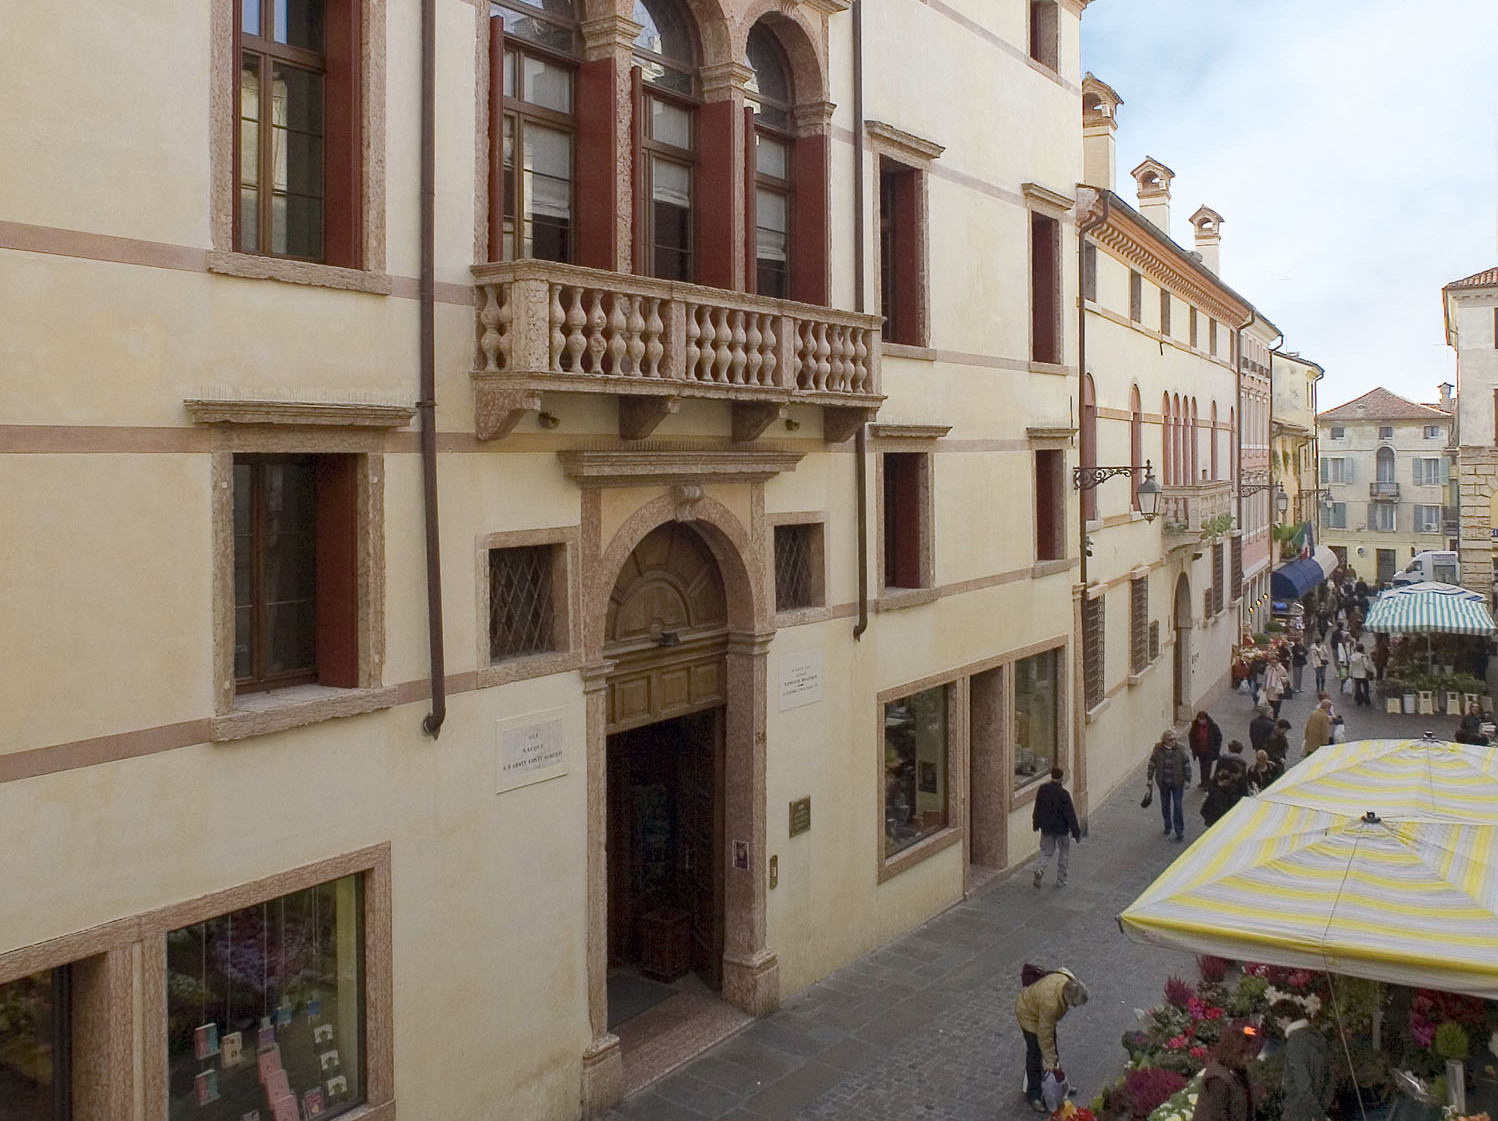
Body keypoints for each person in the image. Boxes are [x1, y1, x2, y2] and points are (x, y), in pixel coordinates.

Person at [1015, 969, 1089, 1113]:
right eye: (1074, 1005)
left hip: (1039, 1010)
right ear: (1068, 999)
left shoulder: (1068, 980)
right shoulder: (1050, 1004)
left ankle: (1058, 1085)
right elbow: (1045, 1034)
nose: (1072, 1008)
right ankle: (1034, 1095)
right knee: (1035, 1052)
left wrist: (1051, 1059)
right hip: (1028, 1014)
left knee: (1051, 1049)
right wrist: (1050, 1060)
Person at [1274, 999, 1335, 1121]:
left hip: (1298, 1111)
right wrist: (1321, 1109)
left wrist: (1318, 1115)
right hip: (1318, 1106)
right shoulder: (1318, 1038)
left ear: (1287, 1018)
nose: (1278, 1024)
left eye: (1278, 1020)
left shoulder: (1295, 1042)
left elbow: (1302, 1083)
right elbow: (1331, 1077)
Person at [1191, 1022, 1259, 1121]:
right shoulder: (1218, 1078)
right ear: (1233, 1052)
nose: (1250, 1057)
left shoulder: (1239, 1070)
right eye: (1245, 1053)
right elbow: (1218, 1115)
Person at [1032, 767, 1083, 888]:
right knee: (1063, 853)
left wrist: (1036, 822)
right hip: (1061, 829)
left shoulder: (1042, 790)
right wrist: (1076, 833)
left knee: (1046, 851)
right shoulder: (1063, 794)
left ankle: (1039, 868)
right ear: (1061, 778)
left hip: (1047, 827)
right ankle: (1061, 879)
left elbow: (1037, 807)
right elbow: (1070, 814)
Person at [1147, 729, 1192, 843]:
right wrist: (1149, 778)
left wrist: (1187, 780)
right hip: (1164, 783)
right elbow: (1152, 764)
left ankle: (1179, 831)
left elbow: (1186, 764)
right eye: (1171, 739)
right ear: (1165, 740)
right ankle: (1168, 825)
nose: (1173, 741)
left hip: (1177, 782)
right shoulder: (1158, 750)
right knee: (1165, 805)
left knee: (1177, 806)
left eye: (1175, 739)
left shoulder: (1180, 750)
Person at [1188, 711, 1224, 789]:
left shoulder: (1213, 726)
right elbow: (1191, 737)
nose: (1201, 721)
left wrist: (1215, 749)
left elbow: (1218, 737)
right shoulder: (1195, 726)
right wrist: (1193, 747)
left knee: (1207, 767)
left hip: (1209, 750)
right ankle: (1203, 781)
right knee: (1202, 766)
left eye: (1203, 719)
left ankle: (1206, 783)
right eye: (1200, 719)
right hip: (1200, 750)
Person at [1348, 643, 1372, 708]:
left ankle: (1359, 700)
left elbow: (1351, 666)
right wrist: (1370, 670)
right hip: (1363, 674)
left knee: (1358, 688)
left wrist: (1350, 674)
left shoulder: (1352, 656)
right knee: (1365, 688)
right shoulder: (1363, 656)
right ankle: (1367, 700)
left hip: (1355, 674)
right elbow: (1366, 666)